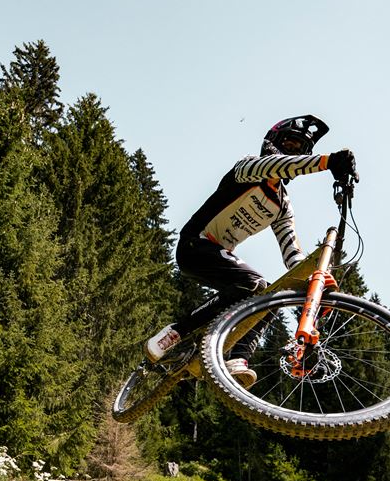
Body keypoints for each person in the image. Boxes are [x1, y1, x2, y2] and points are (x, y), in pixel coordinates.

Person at [145, 115, 357, 388]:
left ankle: (238, 359)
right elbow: (277, 165)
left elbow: (291, 250)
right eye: (289, 144)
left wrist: (313, 279)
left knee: (270, 297)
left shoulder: (282, 205)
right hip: (194, 245)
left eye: (299, 150)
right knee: (254, 283)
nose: (292, 152)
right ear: (272, 143)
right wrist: (327, 162)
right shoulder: (248, 167)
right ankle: (175, 331)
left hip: (220, 255)